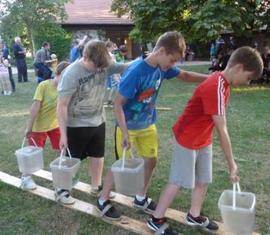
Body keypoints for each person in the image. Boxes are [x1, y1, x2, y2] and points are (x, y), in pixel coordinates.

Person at [147, 46, 263, 235]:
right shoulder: (215, 86)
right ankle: (156, 218)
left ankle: (194, 215)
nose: (247, 82)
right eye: (249, 78)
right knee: (178, 180)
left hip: (203, 138)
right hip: (187, 138)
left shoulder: (224, 83)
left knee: (203, 179)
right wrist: (232, 164)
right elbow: (222, 129)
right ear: (239, 68)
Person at [97, 31, 209, 220]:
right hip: (128, 127)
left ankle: (140, 197)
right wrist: (124, 132)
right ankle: (102, 199)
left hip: (148, 124)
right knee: (121, 165)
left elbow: (186, 75)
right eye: (172, 60)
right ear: (162, 51)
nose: (173, 65)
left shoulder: (163, 68)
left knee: (151, 161)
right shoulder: (136, 71)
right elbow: (117, 104)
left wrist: (212, 78)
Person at [57, 40, 129, 205]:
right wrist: (63, 134)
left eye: (102, 67)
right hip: (76, 124)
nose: (99, 70)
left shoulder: (104, 64)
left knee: (98, 156)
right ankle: (62, 189)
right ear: (85, 56)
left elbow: (127, 67)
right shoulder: (71, 73)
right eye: (95, 66)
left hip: (98, 120)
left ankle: (96, 186)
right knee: (71, 159)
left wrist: (147, 61)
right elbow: (61, 106)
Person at [21, 61, 70, 191]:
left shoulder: (66, 89)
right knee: (32, 153)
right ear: (56, 74)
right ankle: (26, 178)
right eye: (63, 78)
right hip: (39, 127)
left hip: (55, 125)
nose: (65, 81)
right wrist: (29, 127)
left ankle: (60, 175)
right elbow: (35, 107)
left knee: (62, 149)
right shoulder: (43, 86)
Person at [105, 41, 120, 105]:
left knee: (115, 85)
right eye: (112, 47)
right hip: (114, 72)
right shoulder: (110, 55)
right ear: (108, 47)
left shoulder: (106, 54)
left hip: (112, 72)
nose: (113, 48)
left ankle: (110, 100)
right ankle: (112, 100)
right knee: (116, 85)